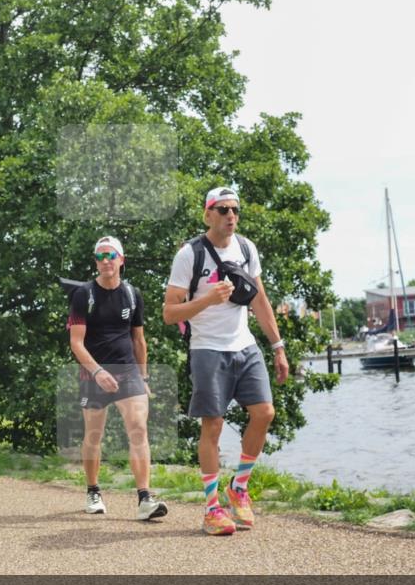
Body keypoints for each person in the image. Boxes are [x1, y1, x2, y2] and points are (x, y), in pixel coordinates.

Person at [163, 187, 289, 536]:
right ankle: (212, 509)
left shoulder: (247, 248)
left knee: (264, 413)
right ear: (208, 215)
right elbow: (169, 313)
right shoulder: (189, 254)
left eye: (235, 209)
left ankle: (239, 487)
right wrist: (206, 301)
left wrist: (278, 346)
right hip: (207, 349)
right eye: (222, 209)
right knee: (213, 426)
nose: (230, 215)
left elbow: (260, 301)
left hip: (244, 345)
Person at [68, 236, 167, 521]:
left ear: (121, 260)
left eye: (111, 255)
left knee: (138, 428)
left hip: (127, 371)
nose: (106, 261)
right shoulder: (83, 295)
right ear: (96, 262)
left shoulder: (132, 294)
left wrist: (144, 376)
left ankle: (145, 498)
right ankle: (93, 491)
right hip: (93, 373)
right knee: (94, 435)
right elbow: (76, 343)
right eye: (100, 256)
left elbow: (139, 339)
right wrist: (98, 372)